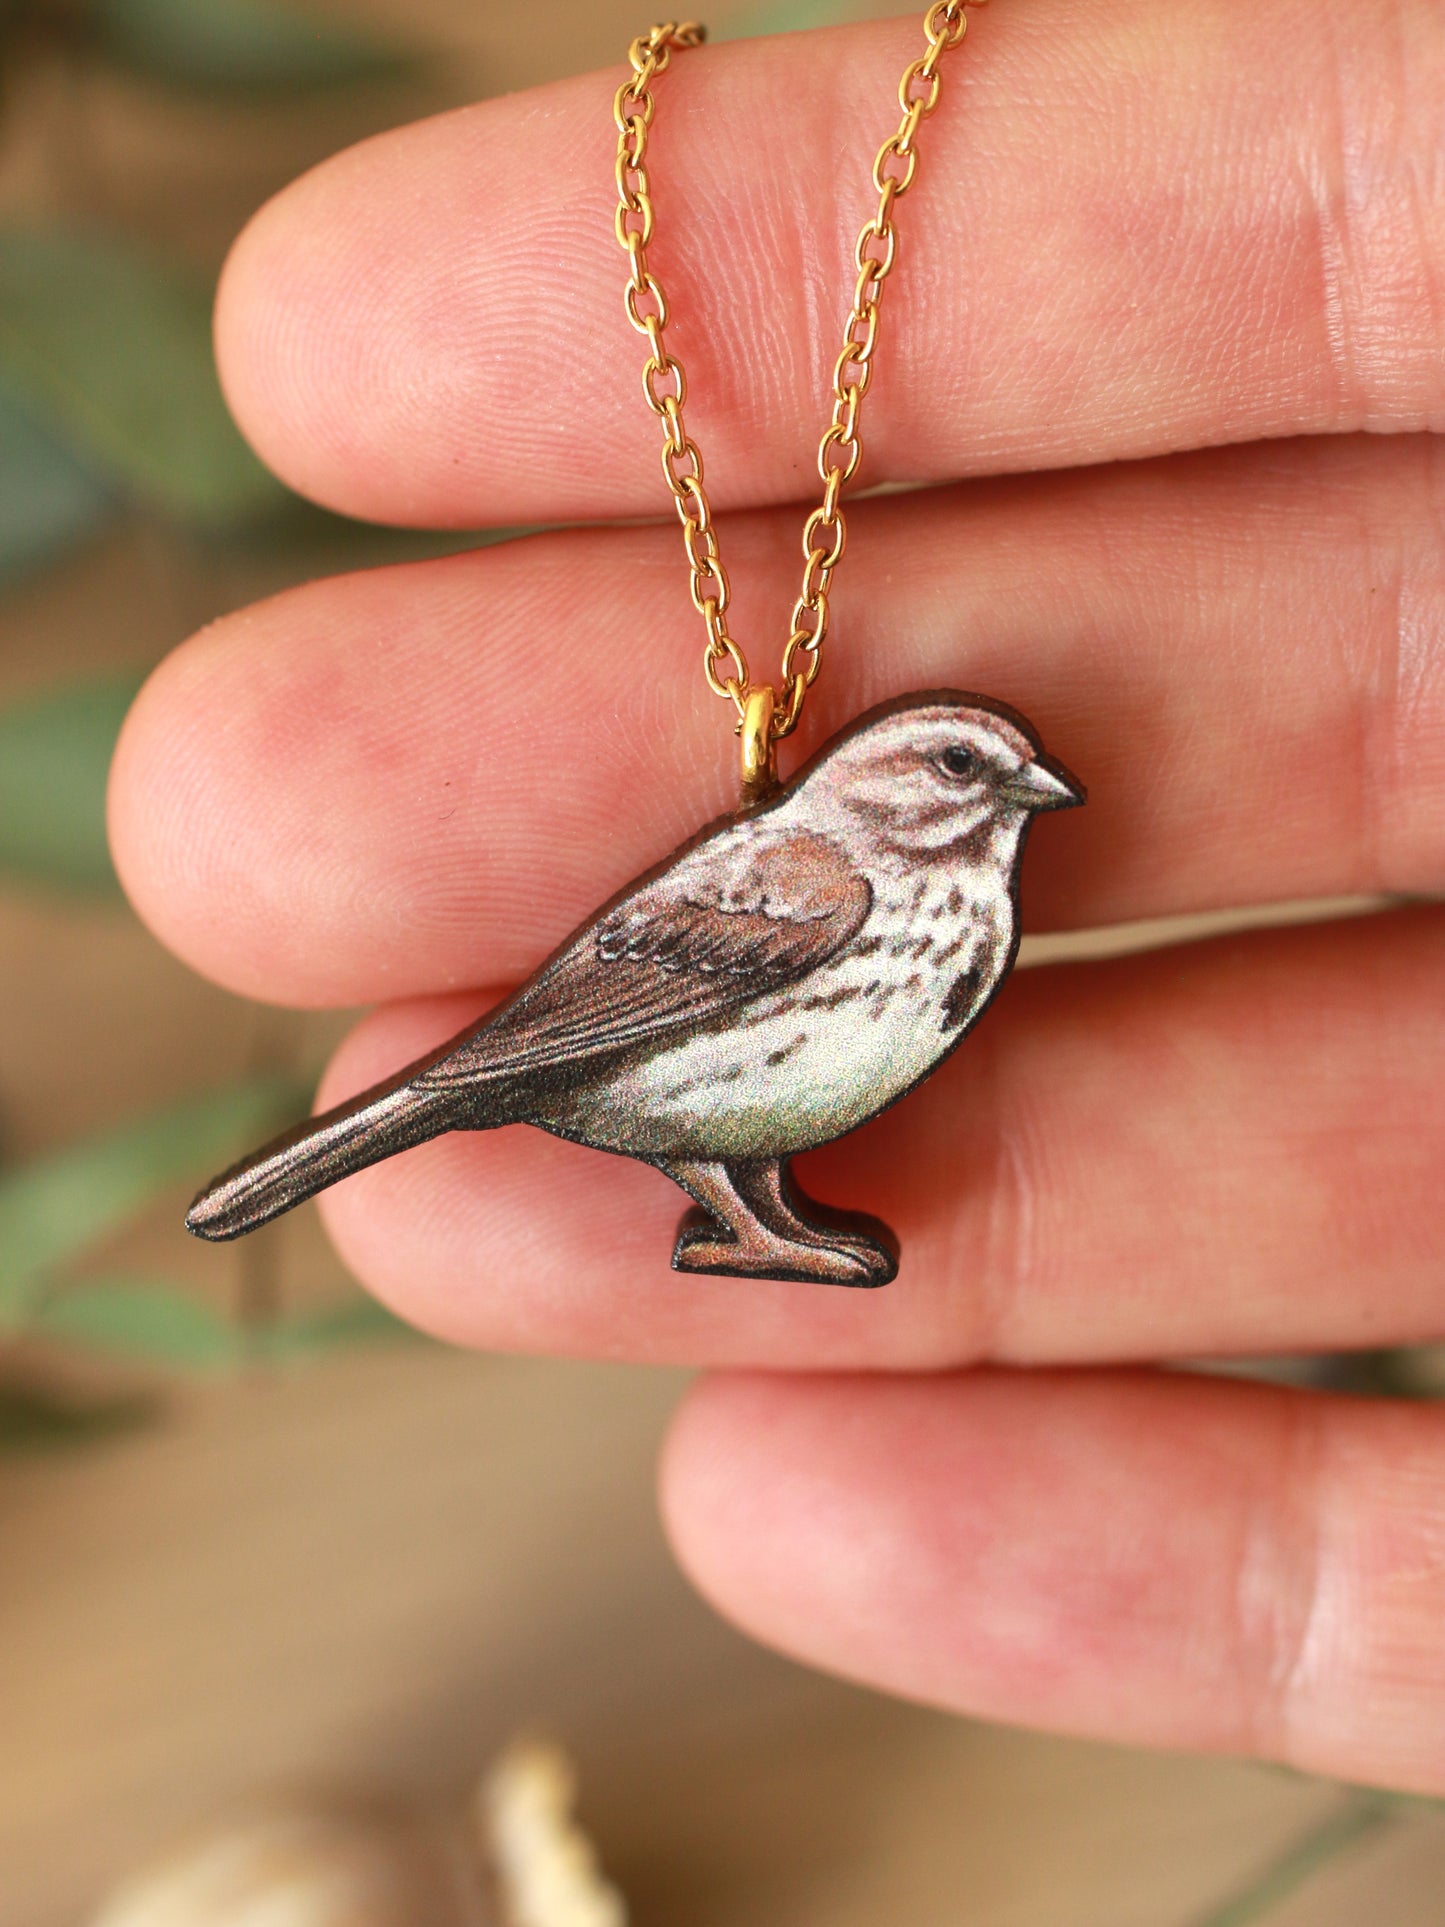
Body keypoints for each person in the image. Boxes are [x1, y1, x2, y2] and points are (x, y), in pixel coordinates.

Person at [108, 2, 1445, 1796]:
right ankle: (738, 1213)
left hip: (682, 1071)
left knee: (733, 1135)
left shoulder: (943, 909)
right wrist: (479, 1076)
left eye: (1005, 772)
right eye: (965, 774)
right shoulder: (815, 874)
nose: (1018, 795)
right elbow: (654, 1017)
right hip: (610, 1044)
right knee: (664, 1107)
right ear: (890, 790)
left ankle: (746, 1216)